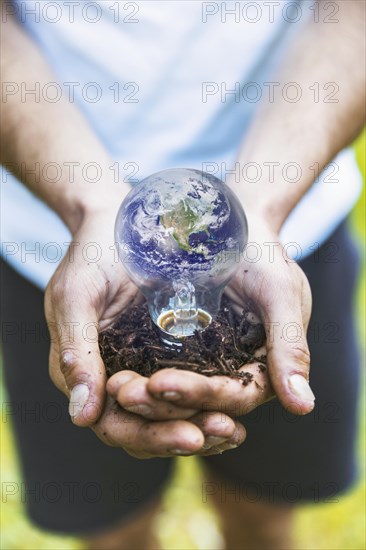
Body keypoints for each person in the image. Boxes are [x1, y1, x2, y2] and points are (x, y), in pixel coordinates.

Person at [1, 1, 364, 548]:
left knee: (266, 512)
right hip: (58, 252)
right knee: (112, 530)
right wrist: (91, 207)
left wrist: (259, 209)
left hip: (285, 225)